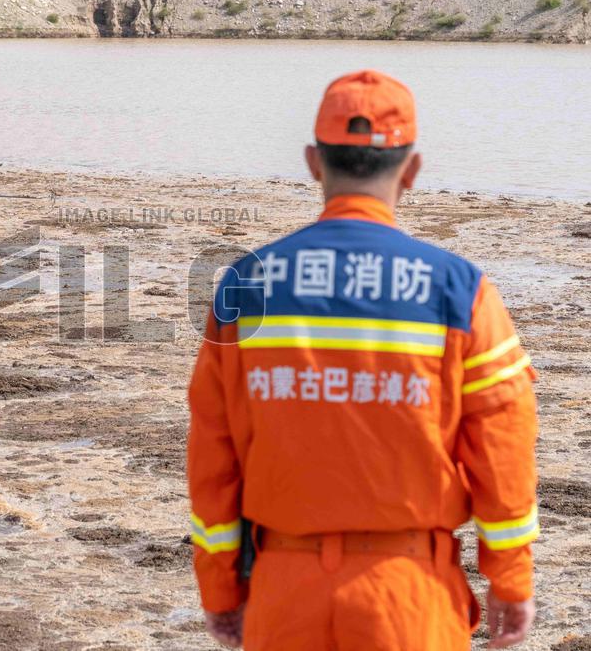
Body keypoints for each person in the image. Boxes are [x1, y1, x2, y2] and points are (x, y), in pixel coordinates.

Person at [187, 70, 538, 651]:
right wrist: (511, 579)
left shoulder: (246, 284)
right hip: (409, 596)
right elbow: (504, 453)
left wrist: (221, 591)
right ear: (414, 169)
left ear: (313, 163)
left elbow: (213, 456)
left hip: (283, 590)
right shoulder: (459, 291)